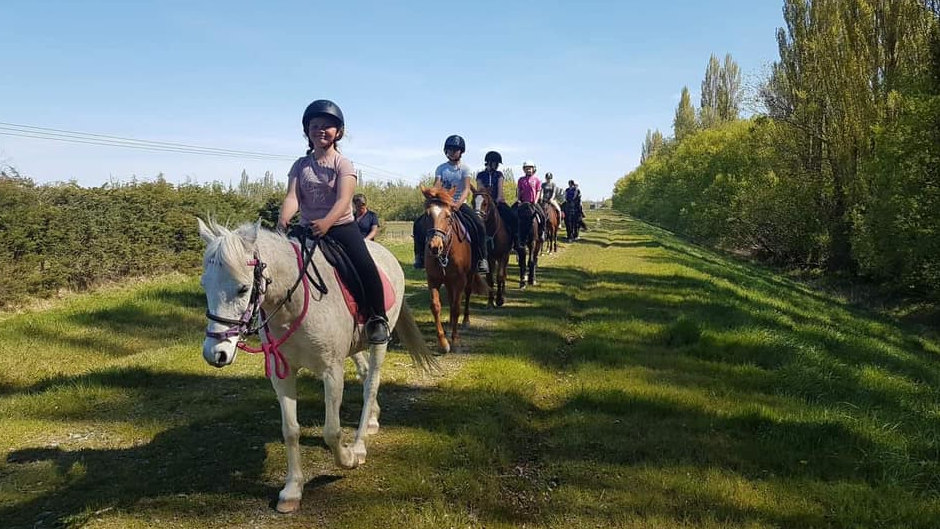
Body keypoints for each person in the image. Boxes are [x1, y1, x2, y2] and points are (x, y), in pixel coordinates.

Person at [277, 99, 390, 344]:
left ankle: (378, 318)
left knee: (365, 266)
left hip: (340, 227)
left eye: (327, 126)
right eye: (314, 125)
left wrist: (327, 222)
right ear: (307, 131)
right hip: (307, 229)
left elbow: (343, 200)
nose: (320, 129)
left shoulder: (343, 163)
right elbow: (293, 197)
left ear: (338, 132)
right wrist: (283, 220)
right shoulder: (300, 165)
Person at [413, 135, 489, 273]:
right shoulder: (441, 168)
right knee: (418, 223)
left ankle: (481, 259)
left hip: (459, 204)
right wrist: (432, 196)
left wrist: (458, 203)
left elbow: (466, 188)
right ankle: (419, 256)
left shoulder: (465, 169)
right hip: (442, 204)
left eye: (456, 150)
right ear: (445, 151)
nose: (452, 152)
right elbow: (437, 185)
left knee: (479, 225)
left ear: (461, 152)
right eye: (450, 150)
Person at [476, 151, 518, 249]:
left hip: (497, 202)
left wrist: (498, 199)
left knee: (513, 217)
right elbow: (480, 189)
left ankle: (516, 241)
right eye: (496, 163)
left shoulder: (499, 175)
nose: (497, 166)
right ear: (489, 162)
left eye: (498, 164)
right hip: (484, 203)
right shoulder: (480, 175)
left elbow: (500, 189)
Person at [515, 160, 546, 241]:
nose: (528, 170)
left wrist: (535, 201)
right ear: (524, 170)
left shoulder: (537, 180)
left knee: (542, 215)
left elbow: (538, 191)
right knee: (512, 213)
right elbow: (518, 190)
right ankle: (513, 234)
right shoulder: (521, 180)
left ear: (533, 169)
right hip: (523, 203)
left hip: (532, 203)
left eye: (530, 168)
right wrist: (518, 200)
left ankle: (542, 232)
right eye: (527, 168)